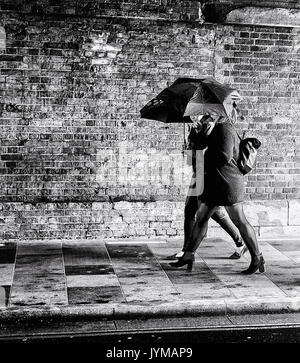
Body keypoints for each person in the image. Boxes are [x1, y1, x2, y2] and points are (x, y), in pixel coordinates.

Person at [170, 112, 265, 275]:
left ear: (216, 113)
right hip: (214, 182)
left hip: (227, 182)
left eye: (207, 114)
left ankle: (257, 257)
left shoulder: (224, 128)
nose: (204, 117)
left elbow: (224, 156)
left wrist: (205, 153)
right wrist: (197, 136)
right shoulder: (210, 130)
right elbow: (193, 157)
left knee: (239, 220)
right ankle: (188, 255)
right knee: (201, 218)